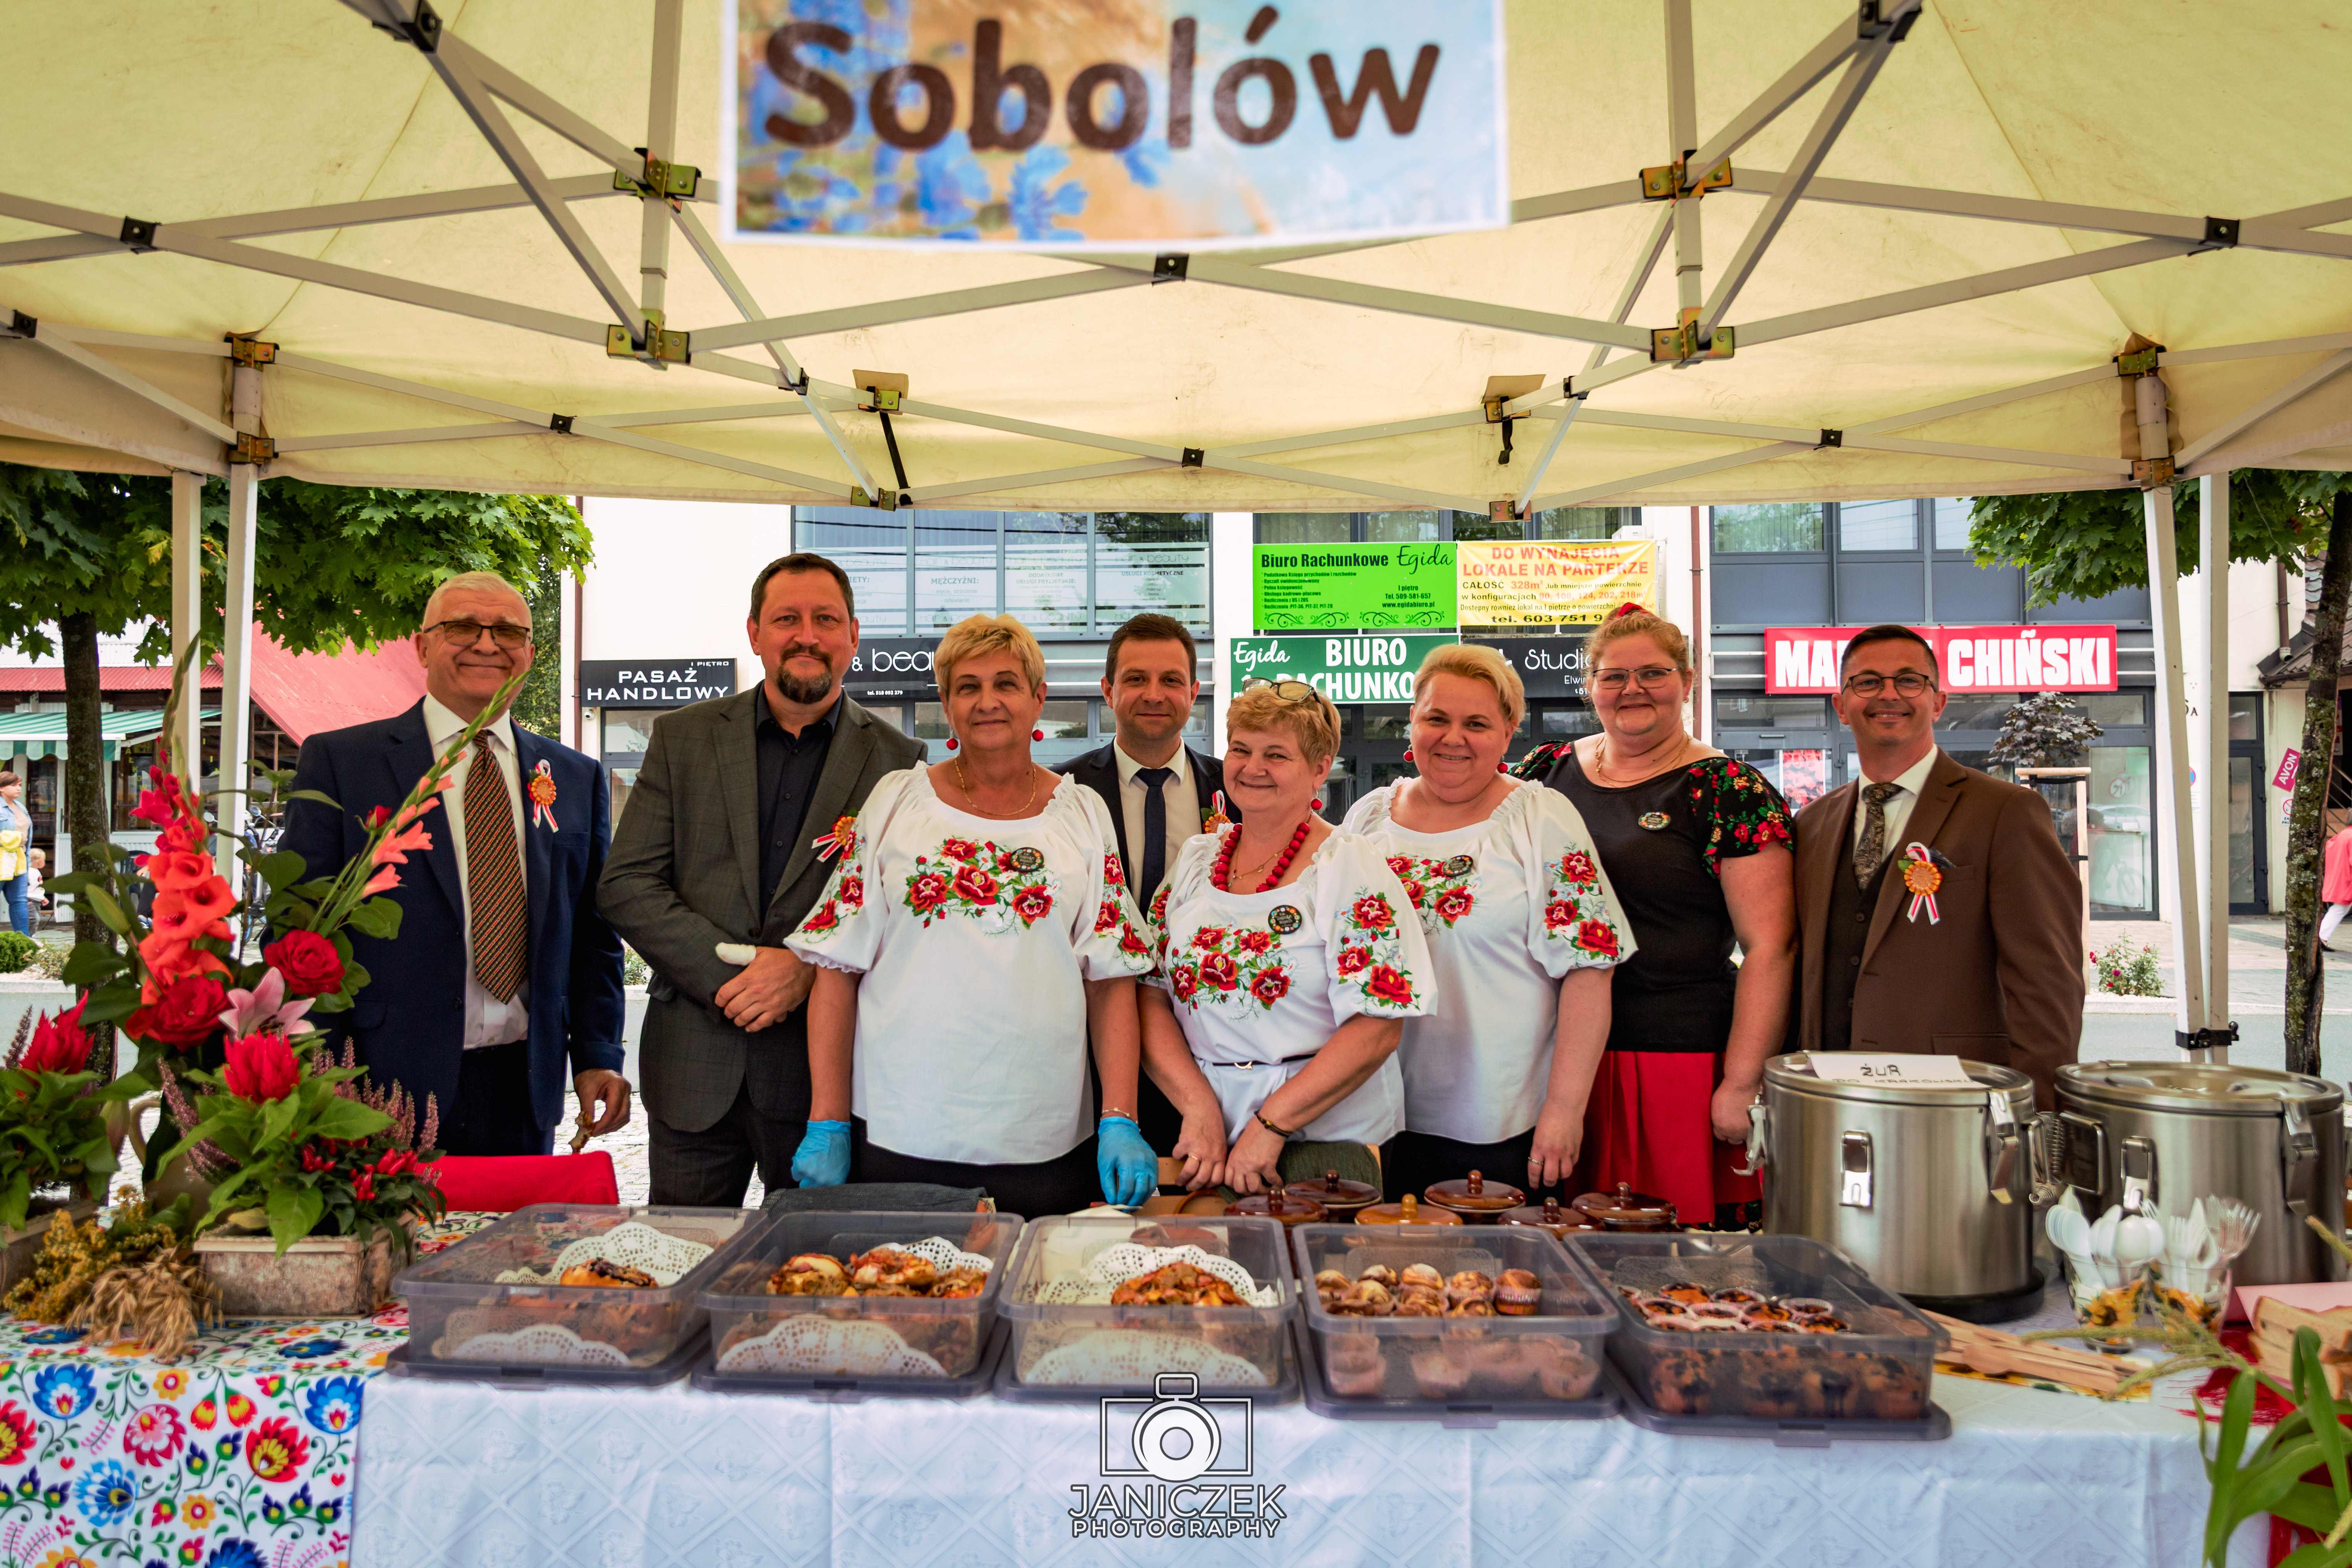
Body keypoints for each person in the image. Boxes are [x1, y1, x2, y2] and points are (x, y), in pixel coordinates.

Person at [785, 613, 1159, 1215]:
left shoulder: (1082, 813)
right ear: (946, 704)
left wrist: (1120, 1116)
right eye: (967, 686)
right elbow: (837, 965)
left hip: (1044, 1135)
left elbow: (1110, 978)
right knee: (903, 1274)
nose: (987, 701)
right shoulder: (896, 802)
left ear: (1038, 697)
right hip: (901, 1127)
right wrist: (826, 1118)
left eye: (1005, 683)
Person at [600, 553, 924, 1206]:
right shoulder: (682, 738)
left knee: (818, 1258)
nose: (807, 635)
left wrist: (804, 969)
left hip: (823, 1083)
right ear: (754, 633)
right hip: (694, 1065)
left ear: (853, 636)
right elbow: (627, 883)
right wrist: (736, 978)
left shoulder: (900, 763)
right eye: (786, 619)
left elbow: (902, 912)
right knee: (684, 1255)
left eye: (825, 619)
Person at [281, 572, 629, 1155]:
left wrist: (597, 1055)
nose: (487, 644)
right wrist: (320, 1073)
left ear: (530, 654)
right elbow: (300, 927)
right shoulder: (343, 763)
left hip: (523, 1088)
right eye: (463, 626)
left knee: (517, 1221)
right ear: (422, 646)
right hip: (378, 1084)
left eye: (508, 632)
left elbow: (594, 936)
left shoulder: (574, 777)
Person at [1512, 605, 1795, 1229]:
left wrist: (1741, 1082)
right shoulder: (1542, 773)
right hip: (1553, 1059)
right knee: (1555, 1254)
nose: (1632, 689)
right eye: (1613, 676)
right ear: (1590, 686)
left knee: (1665, 1258)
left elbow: (1770, 946)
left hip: (1672, 1060)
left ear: (1687, 681)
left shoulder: (1727, 789)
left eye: (1652, 673)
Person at [1343, 645, 1635, 1201]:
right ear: (1412, 720)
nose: (1453, 738)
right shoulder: (1368, 817)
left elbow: (1589, 971)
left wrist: (1564, 1109)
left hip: (1499, 1126)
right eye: (1436, 718)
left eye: (1475, 724)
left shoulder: (1539, 817)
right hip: (1372, 1117)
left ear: (1506, 733)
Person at [1139, 678, 1435, 1196]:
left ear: (1319, 769)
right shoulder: (1196, 860)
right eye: (1241, 750)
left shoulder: (1346, 864)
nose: (1252, 767)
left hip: (1328, 1142)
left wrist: (1270, 1124)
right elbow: (1149, 993)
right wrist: (1196, 1104)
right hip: (1208, 1134)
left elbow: (1378, 1024)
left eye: (1275, 754)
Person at [1787, 624, 2083, 1107]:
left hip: (1956, 1102)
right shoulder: (1812, 823)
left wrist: (2037, 1110)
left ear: (1938, 702)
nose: (1888, 694)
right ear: (1841, 706)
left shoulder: (2005, 812)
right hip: (1828, 1098)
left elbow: (2046, 981)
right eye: (1867, 682)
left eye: (1909, 681)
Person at [1058, 612, 1234, 1152]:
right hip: (1087, 1050)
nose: (1154, 694)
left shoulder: (1237, 790)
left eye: (1170, 680)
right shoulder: (1061, 794)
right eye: (1135, 679)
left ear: (1194, 692)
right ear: (1108, 690)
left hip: (1207, 1051)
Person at [0, 772, 28, 936]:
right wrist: (14, 839)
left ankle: (25, 941)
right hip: (2, 860)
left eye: (20, 785)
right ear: (2, 788)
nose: (18, 788)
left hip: (19, 860)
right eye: (13, 785)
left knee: (19, 901)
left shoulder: (21, 807)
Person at [2322, 813, 2352, 951]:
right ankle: (2322, 937)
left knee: (2340, 909)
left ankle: (2322, 937)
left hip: (2340, 877)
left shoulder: (2342, 835)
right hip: (2348, 879)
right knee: (2340, 909)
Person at [22, 849, 45, 929]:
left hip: (37, 901)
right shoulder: (29, 872)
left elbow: (36, 887)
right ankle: (28, 935)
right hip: (30, 900)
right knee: (34, 919)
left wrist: (42, 897)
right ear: (40, 862)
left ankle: (32, 935)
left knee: (36, 919)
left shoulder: (36, 871)